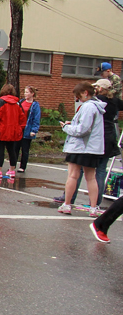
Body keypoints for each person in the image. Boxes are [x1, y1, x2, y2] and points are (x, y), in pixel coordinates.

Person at [58, 82, 106, 217]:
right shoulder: (97, 107)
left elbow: (83, 129)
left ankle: (67, 204)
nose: (78, 99)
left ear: (86, 93)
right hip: (93, 148)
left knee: (73, 175)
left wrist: (66, 127)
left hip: (81, 147)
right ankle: (93, 207)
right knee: (91, 177)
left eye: (79, 96)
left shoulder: (88, 107)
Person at [0, 84, 26, 180]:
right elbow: (22, 118)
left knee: (0, 150)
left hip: (1, 130)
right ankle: (12, 169)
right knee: (11, 150)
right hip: (13, 131)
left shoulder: (0, 102)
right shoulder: (18, 103)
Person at [17, 86, 41, 173]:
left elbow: (36, 118)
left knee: (25, 149)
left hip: (27, 129)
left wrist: (34, 130)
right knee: (15, 147)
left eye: (27, 92)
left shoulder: (35, 105)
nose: (25, 94)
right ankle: (12, 166)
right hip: (19, 128)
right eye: (25, 92)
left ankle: (22, 166)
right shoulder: (21, 102)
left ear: (32, 94)